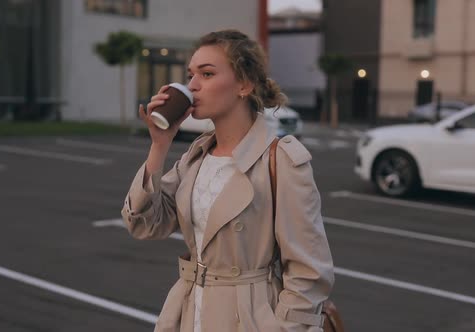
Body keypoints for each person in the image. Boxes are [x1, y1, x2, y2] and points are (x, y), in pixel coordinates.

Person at [121, 29, 334, 332]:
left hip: (249, 319)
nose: (192, 85)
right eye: (190, 74)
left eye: (206, 74)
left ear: (244, 84)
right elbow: (143, 224)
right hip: (189, 312)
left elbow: (309, 273)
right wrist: (160, 145)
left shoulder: (281, 160)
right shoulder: (196, 157)